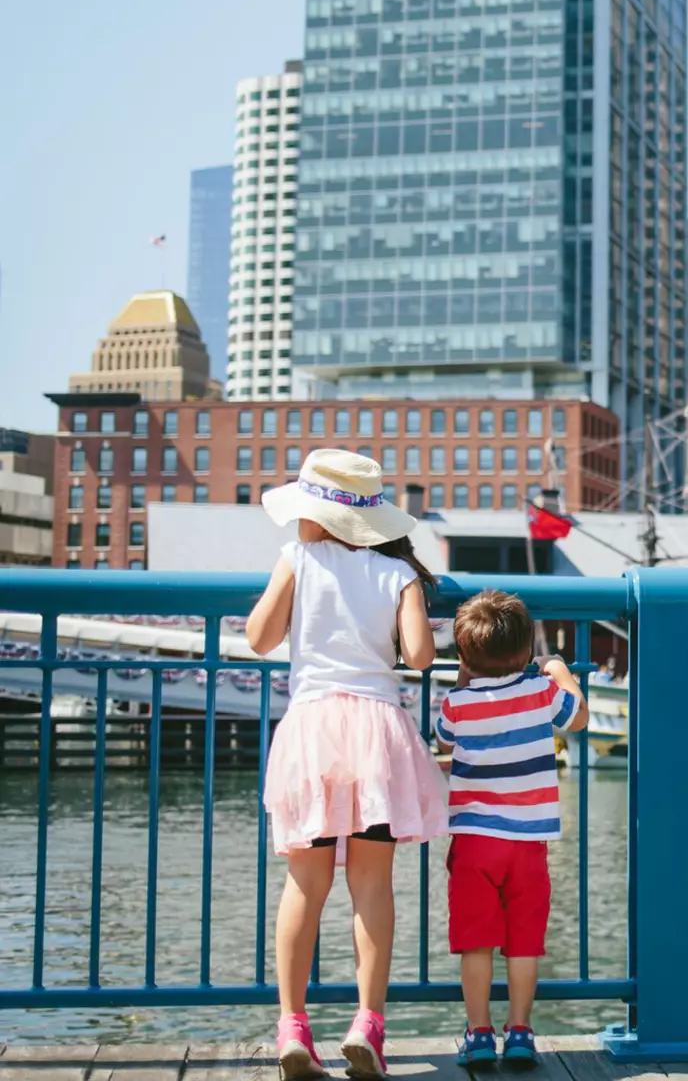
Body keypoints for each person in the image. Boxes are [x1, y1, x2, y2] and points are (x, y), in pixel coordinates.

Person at [247, 450, 448, 1081]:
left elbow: (259, 637)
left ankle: (292, 1025)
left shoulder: (299, 560)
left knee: (304, 884)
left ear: (315, 515)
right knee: (372, 884)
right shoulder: (398, 573)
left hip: (312, 729)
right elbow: (419, 655)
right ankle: (368, 1022)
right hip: (376, 731)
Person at [435, 589, 588, 1070]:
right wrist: (560, 670)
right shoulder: (540, 692)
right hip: (527, 846)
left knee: (475, 942)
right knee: (524, 943)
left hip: (475, 844)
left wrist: (466, 677)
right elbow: (578, 718)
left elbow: (444, 736)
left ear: (463, 655)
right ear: (525, 654)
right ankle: (520, 1031)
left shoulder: (456, 703)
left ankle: (479, 1033)